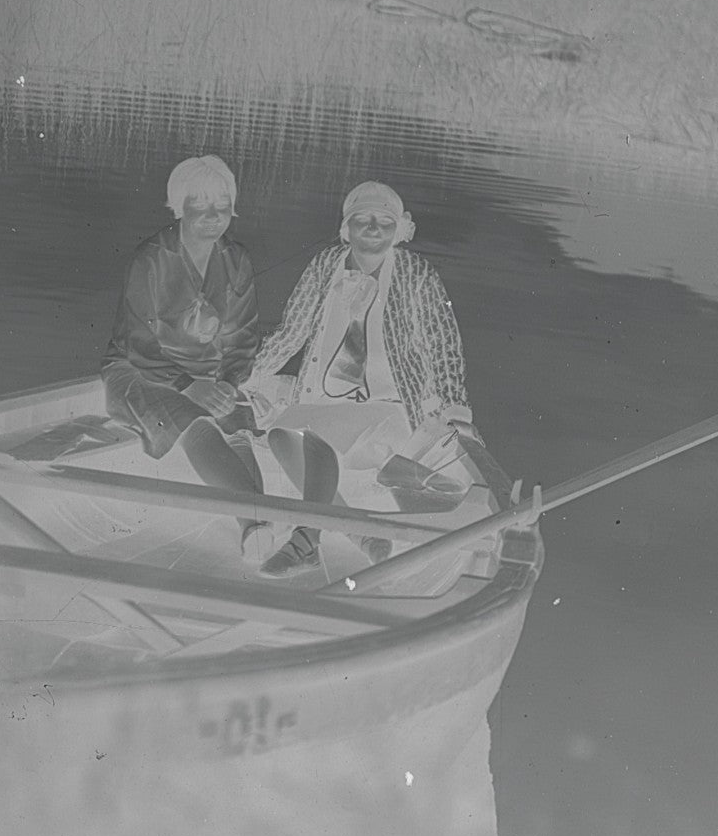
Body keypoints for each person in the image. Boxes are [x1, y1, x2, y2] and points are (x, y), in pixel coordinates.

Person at [243, 180, 479, 577]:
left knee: (314, 437)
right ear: (346, 228)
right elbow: (292, 331)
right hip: (324, 403)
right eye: (363, 219)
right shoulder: (324, 265)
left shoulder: (417, 273)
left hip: (391, 408)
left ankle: (306, 542)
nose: (373, 228)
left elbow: (443, 345)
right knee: (281, 435)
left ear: (400, 229)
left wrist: (454, 407)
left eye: (385, 221)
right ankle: (361, 535)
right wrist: (247, 376)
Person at [102, 155, 268, 536]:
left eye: (222, 205)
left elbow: (242, 335)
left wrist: (227, 383)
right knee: (193, 418)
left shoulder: (237, 257)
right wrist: (191, 387)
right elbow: (137, 342)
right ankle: (260, 521)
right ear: (179, 206)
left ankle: (254, 525)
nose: (212, 215)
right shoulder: (150, 258)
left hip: (209, 372)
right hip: (140, 372)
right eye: (199, 204)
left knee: (237, 422)